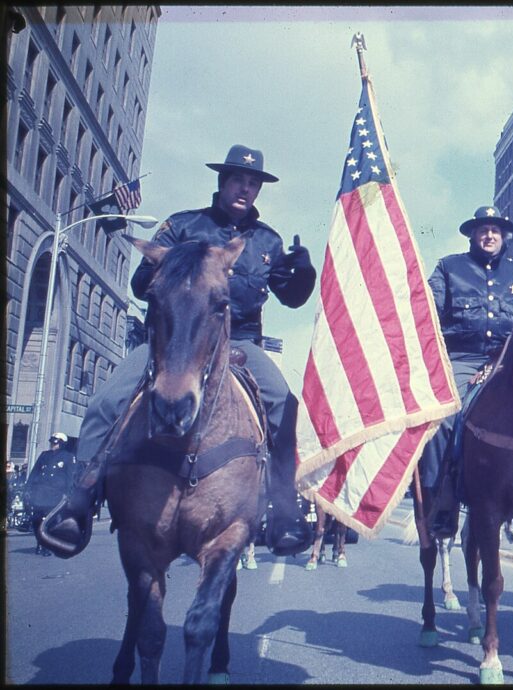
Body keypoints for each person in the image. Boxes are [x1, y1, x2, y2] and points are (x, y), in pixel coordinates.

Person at [41, 145, 316, 558]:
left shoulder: (267, 242)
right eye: (239, 180)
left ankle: (284, 509)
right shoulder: (183, 226)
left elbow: (292, 299)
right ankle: (80, 500)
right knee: (106, 400)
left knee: (283, 402)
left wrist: (304, 272)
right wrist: (163, 265)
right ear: (222, 182)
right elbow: (139, 285)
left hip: (239, 341)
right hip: (172, 340)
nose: (246, 188)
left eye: (253, 183)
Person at [421, 206, 513, 538]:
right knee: (443, 419)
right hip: (461, 358)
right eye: (483, 230)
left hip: (510, 363)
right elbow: (427, 314)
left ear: (504, 237)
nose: (489, 235)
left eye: (496, 231)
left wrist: (498, 363)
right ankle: (442, 497)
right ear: (472, 234)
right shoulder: (449, 268)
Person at [26, 433, 78, 556]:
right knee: (37, 520)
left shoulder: (68, 457)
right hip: (40, 493)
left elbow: (70, 477)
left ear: (62, 444)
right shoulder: (45, 455)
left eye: (56, 443)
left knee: (51, 521)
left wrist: (68, 493)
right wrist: (28, 488)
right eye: (52, 443)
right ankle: (40, 543)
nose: (53, 445)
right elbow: (35, 472)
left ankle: (47, 546)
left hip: (56, 494)